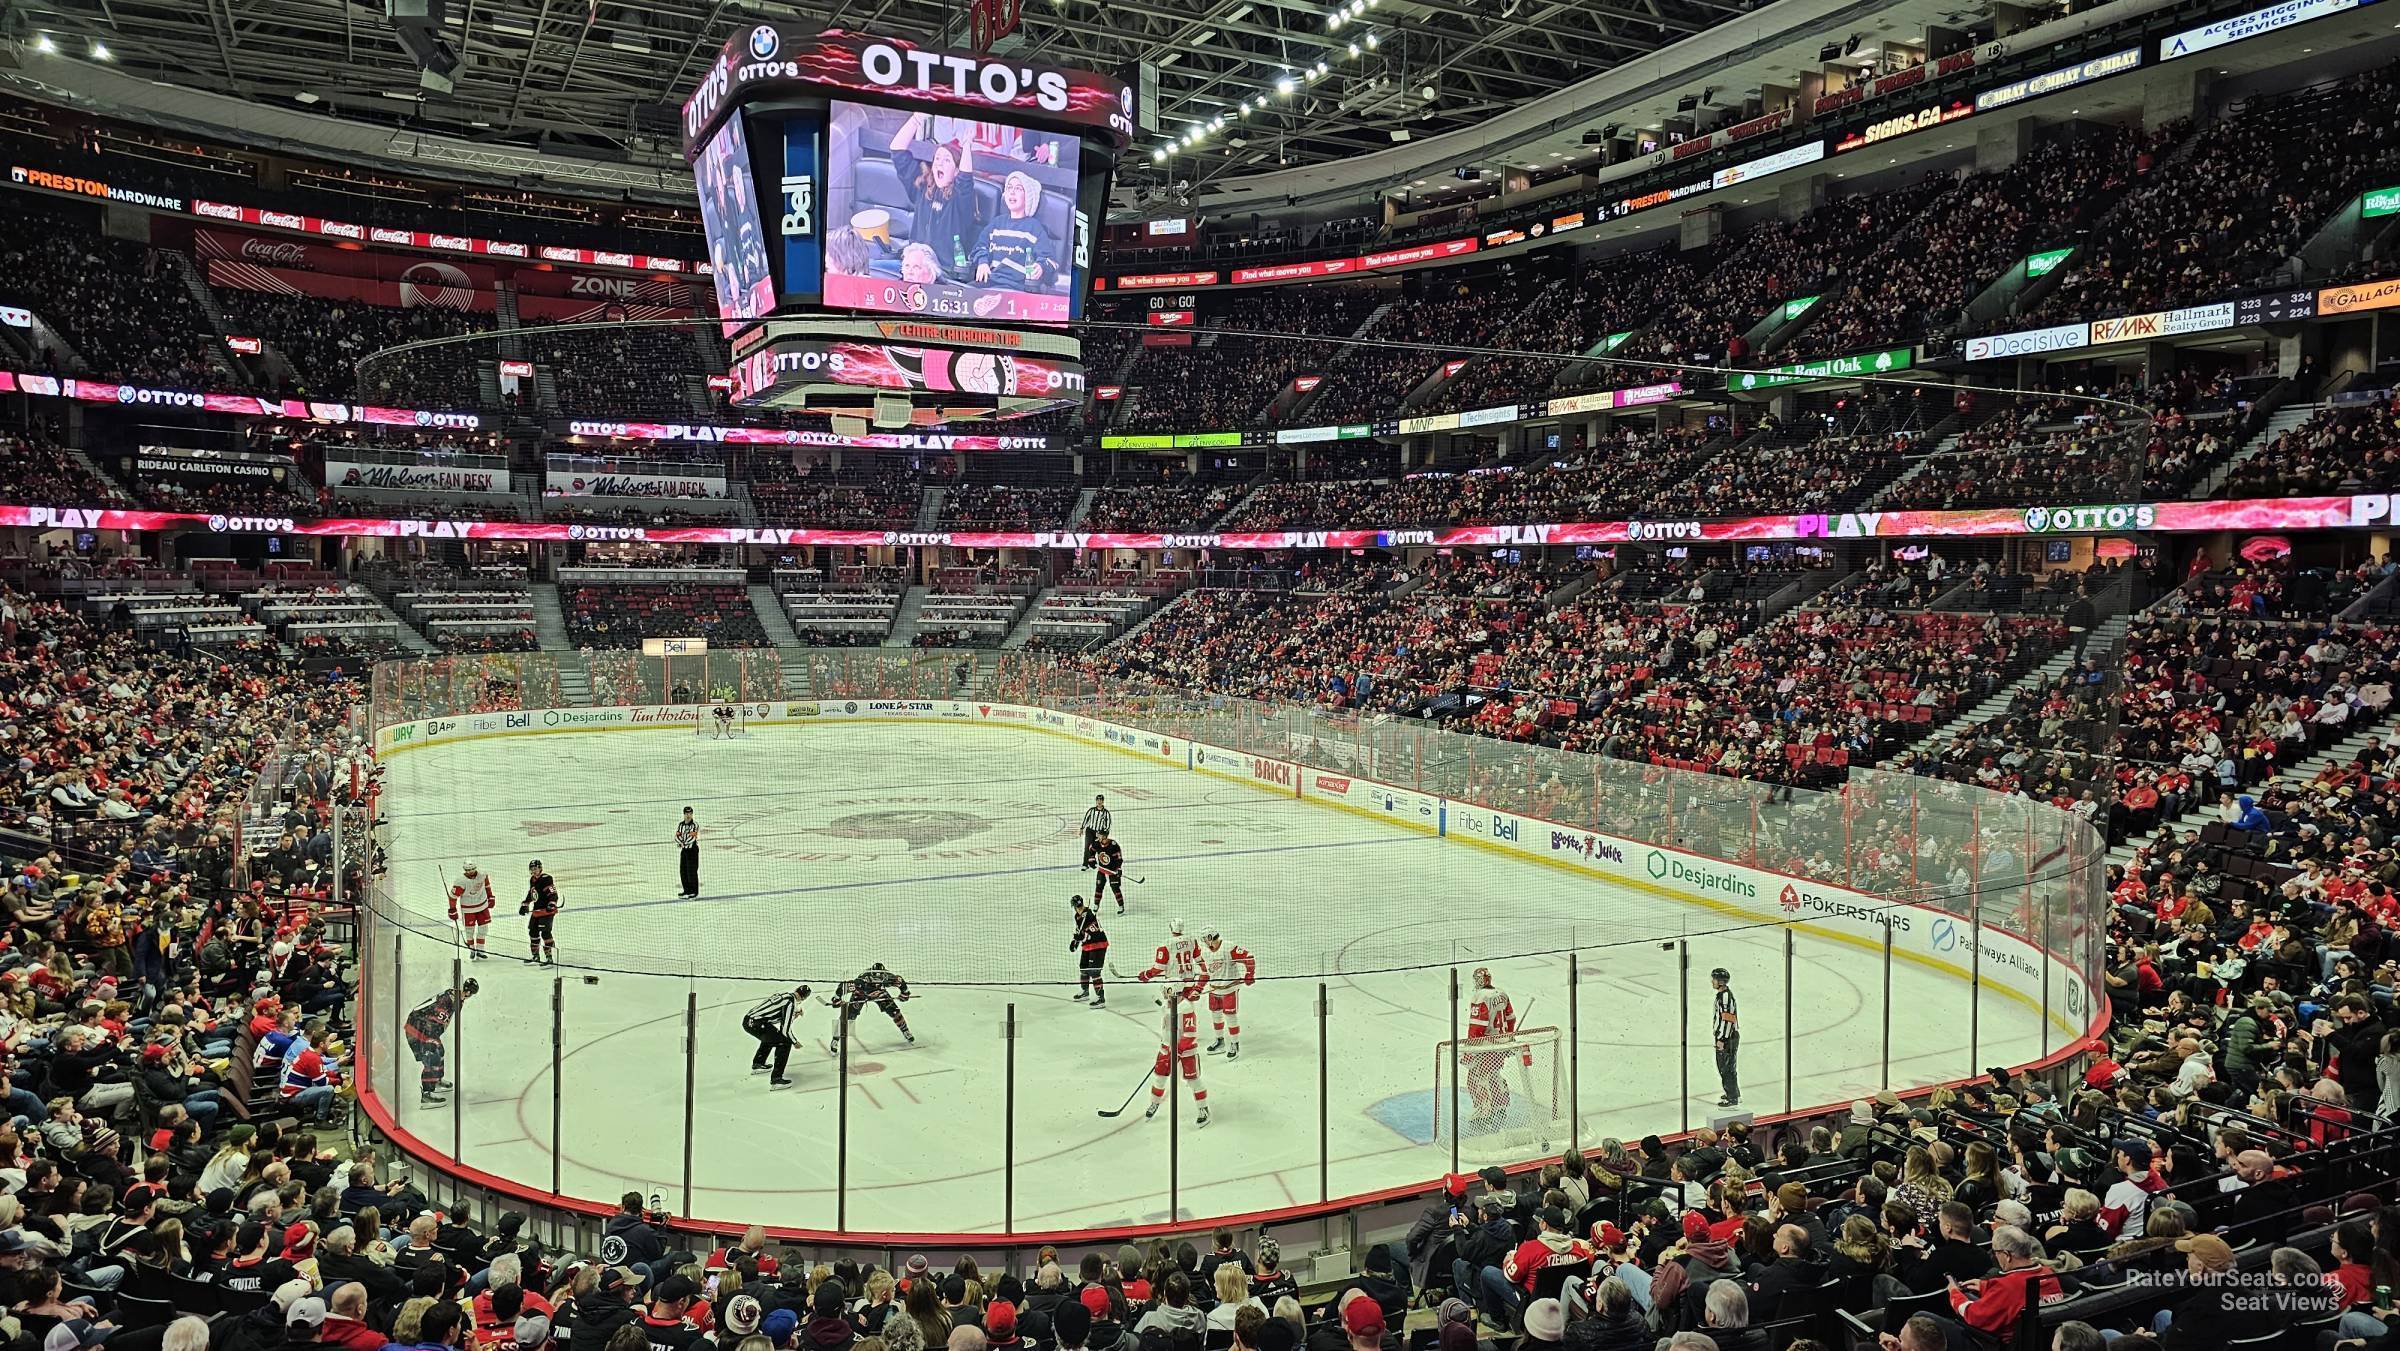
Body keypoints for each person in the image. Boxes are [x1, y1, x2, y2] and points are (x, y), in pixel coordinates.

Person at [886, 113, 983, 280]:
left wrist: (967, 145)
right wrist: (917, 118)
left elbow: (966, 179)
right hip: (910, 264)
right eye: (937, 158)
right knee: (873, 268)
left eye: (946, 160)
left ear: (956, 171)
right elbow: (897, 149)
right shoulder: (923, 187)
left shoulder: (960, 199)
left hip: (940, 271)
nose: (939, 162)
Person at [972, 172, 1058, 291]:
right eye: (1009, 188)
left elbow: (1050, 261)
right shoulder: (996, 223)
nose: (1012, 192)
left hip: (1017, 288)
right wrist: (982, 262)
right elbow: (979, 247)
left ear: (1028, 196)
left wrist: (1041, 267)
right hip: (989, 282)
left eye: (1018, 188)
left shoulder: (1034, 227)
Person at [1144, 977, 1209, 1128]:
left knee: (1193, 1080)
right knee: (1160, 1077)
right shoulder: (1168, 1005)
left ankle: (1203, 1109)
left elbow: (1190, 1035)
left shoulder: (1186, 1008)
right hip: (1166, 1047)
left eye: (1167, 992)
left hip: (1186, 1051)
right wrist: (1167, 1047)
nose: (1164, 995)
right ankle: (1154, 1103)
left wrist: (1178, 1050)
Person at [405, 980, 477, 1106]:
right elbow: (433, 1023)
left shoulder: (455, 998)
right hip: (417, 1027)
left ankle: (436, 1080)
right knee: (433, 1054)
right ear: (468, 992)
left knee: (439, 1051)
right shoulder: (448, 1000)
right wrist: (431, 1042)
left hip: (422, 1026)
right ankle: (427, 1095)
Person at [1200, 928, 1255, 1058]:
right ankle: (1220, 1041)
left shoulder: (1228, 947)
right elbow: (1205, 972)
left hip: (1229, 989)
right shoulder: (1205, 952)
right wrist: (1198, 987)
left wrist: (1249, 974)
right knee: (1216, 1015)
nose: (1203, 942)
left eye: (1204, 939)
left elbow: (1249, 957)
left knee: (1230, 1016)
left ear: (1209, 937)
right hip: (1214, 989)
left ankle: (1235, 1044)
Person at [831, 964, 915, 1048]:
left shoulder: (888, 978)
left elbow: (900, 981)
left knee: (895, 1012)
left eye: (880, 979)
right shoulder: (861, 982)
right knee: (849, 1016)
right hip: (860, 994)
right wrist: (836, 998)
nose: (877, 981)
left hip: (879, 993)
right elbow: (843, 986)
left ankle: (905, 1031)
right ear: (871, 976)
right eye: (875, 979)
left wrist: (905, 993)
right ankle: (835, 1039)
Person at [744, 986, 812, 1087]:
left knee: (771, 1036)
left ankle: (758, 1064)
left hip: (749, 1020)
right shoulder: (790, 1004)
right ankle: (776, 1079)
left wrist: (793, 1015)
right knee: (784, 1042)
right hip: (757, 1023)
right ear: (804, 998)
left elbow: (774, 1016)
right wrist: (795, 1042)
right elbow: (785, 1029)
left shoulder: (785, 995)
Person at [448, 863, 495, 961]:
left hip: (482, 905)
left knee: (483, 929)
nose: (470, 872)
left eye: (472, 869)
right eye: (467, 870)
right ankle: (472, 949)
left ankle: (480, 950)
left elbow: (487, 886)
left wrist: (490, 896)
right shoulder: (460, 881)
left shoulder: (483, 875)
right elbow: (453, 897)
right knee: (470, 930)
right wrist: (452, 909)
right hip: (468, 909)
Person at [1070, 899, 1109, 1008]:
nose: (1079, 908)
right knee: (1083, 968)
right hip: (1087, 946)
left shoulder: (1090, 916)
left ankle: (1101, 998)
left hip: (1098, 946)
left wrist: (1081, 937)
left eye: (1080, 906)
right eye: (1078, 907)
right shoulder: (1078, 916)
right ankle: (1085, 991)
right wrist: (1075, 941)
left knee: (1094, 971)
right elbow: (1080, 931)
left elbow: (1094, 934)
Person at [1709, 968, 1740, 1107]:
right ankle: (1733, 1092)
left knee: (1726, 1067)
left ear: (1720, 982)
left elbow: (1728, 1019)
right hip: (1727, 1036)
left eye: (1714, 979)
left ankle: (1732, 1097)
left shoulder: (1725, 998)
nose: (1712, 981)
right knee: (1728, 1066)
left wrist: (1722, 1039)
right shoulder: (1722, 995)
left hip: (1727, 1038)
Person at [521, 860, 561, 966]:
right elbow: (532, 893)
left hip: (547, 911)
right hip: (537, 910)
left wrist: (552, 903)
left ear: (540, 868)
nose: (533, 871)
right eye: (532, 869)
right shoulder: (532, 880)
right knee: (533, 932)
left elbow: (553, 893)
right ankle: (535, 956)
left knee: (545, 933)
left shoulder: (546, 878)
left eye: (535, 869)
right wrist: (525, 904)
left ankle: (549, 958)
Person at [1090, 833, 1126, 914]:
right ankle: (1096, 905)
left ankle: (1121, 906)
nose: (1098, 837)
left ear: (1105, 836)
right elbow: (1091, 849)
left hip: (1112, 870)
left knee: (1115, 887)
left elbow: (1119, 858)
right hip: (1102, 870)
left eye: (1100, 835)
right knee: (1099, 886)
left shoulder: (1113, 845)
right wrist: (1091, 858)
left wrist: (1119, 869)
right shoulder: (1096, 843)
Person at [1081, 796, 1111, 868]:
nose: (1099, 802)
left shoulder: (1106, 813)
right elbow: (1086, 819)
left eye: (1101, 800)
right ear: (1096, 801)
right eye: (1098, 800)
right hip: (1090, 831)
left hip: (1099, 833)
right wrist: (1081, 828)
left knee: (1098, 848)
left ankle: (1095, 863)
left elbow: (1108, 825)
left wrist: (1103, 834)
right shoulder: (1091, 810)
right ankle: (1085, 864)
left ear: (1103, 801)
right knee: (1087, 847)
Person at [676, 809, 701, 899]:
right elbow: (677, 836)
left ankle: (694, 892)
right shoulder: (681, 825)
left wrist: (683, 843)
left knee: (692, 871)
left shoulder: (695, 825)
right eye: (686, 813)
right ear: (684, 814)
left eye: (690, 813)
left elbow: (692, 838)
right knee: (683, 871)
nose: (688, 815)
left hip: (692, 850)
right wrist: (680, 842)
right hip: (684, 851)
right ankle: (686, 890)